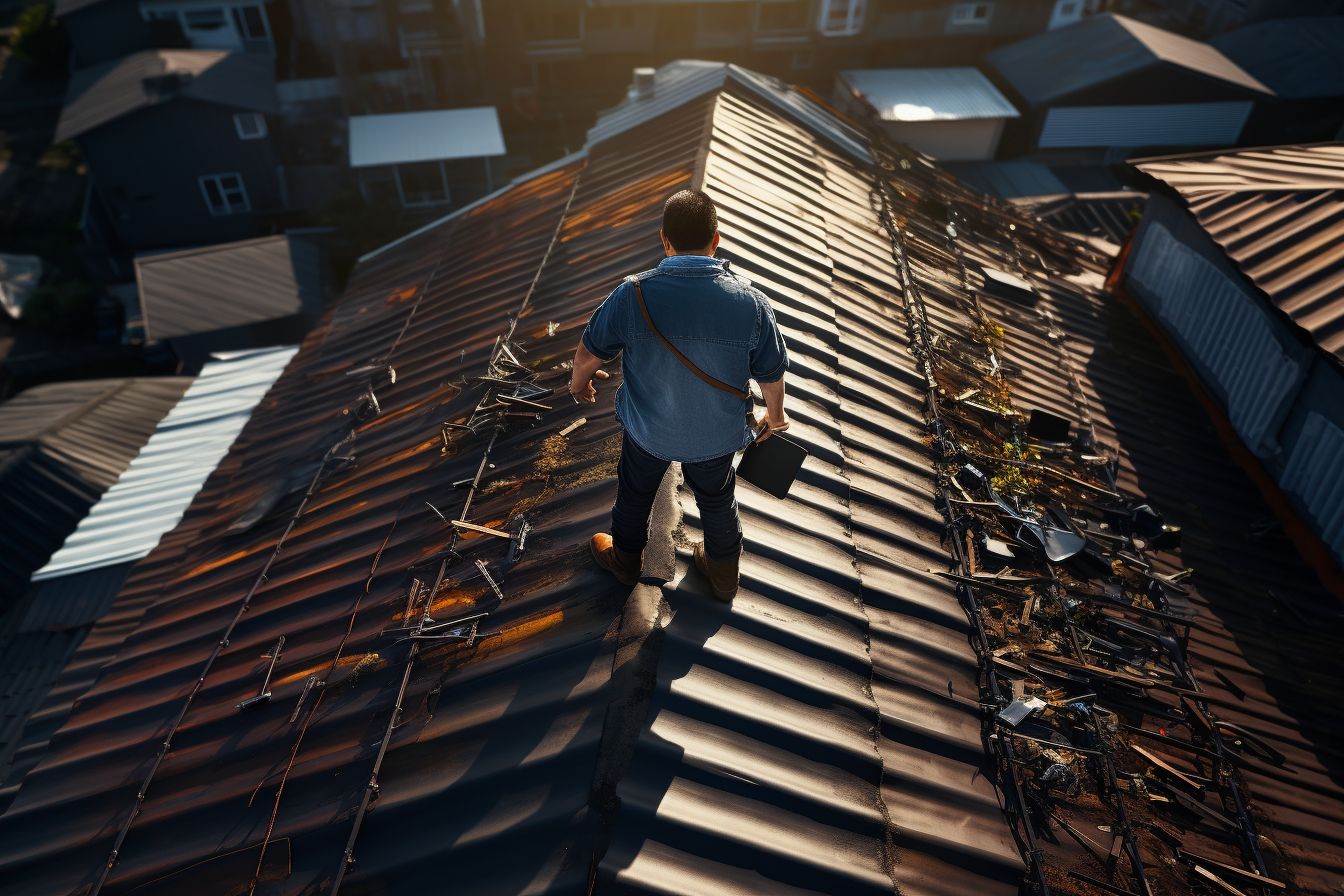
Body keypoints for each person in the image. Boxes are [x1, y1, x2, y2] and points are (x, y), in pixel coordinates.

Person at [568, 189, 789, 600]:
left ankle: (626, 560)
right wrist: (774, 418)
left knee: (635, 491)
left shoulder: (631, 294)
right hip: (716, 436)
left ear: (664, 240)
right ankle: (723, 574)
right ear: (716, 239)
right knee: (717, 498)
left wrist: (579, 385)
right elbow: (772, 375)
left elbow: (586, 354)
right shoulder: (752, 303)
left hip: (648, 431)